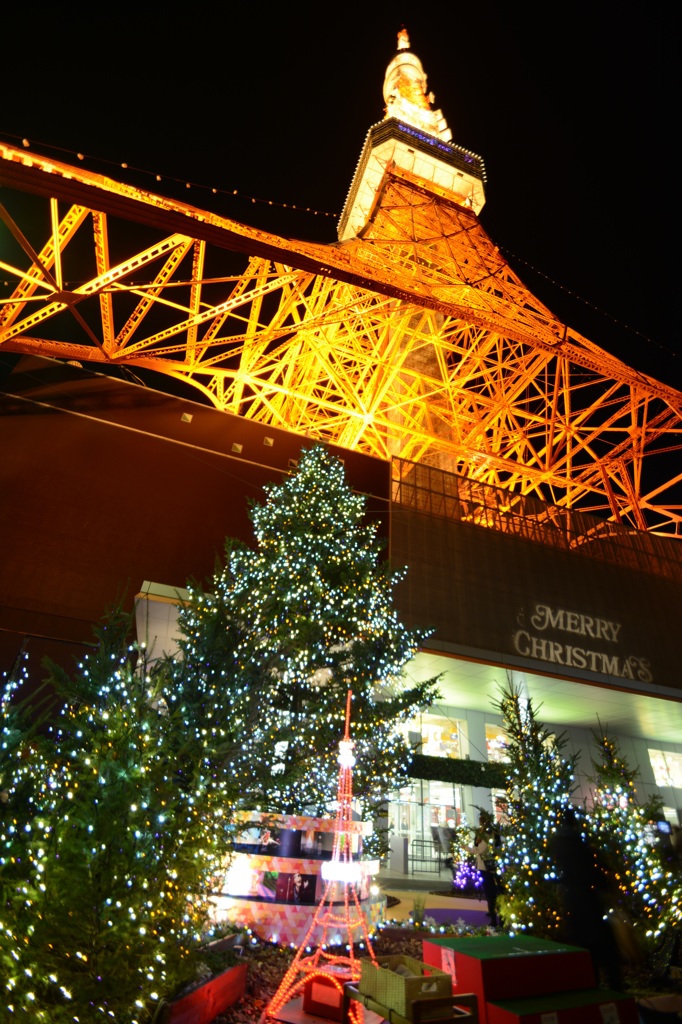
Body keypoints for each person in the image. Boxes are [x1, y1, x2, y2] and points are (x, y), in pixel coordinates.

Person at [549, 807, 623, 990]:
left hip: (571, 898)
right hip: (586, 898)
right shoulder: (578, 843)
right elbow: (591, 871)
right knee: (602, 944)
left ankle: (592, 983)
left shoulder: (557, 843)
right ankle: (614, 984)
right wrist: (605, 883)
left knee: (585, 945)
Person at [468, 812, 500, 927]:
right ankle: (495, 913)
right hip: (492, 865)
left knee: (490, 891)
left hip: (485, 865)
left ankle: (494, 916)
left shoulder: (485, 834)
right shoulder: (494, 832)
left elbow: (477, 848)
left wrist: (469, 847)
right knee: (493, 890)